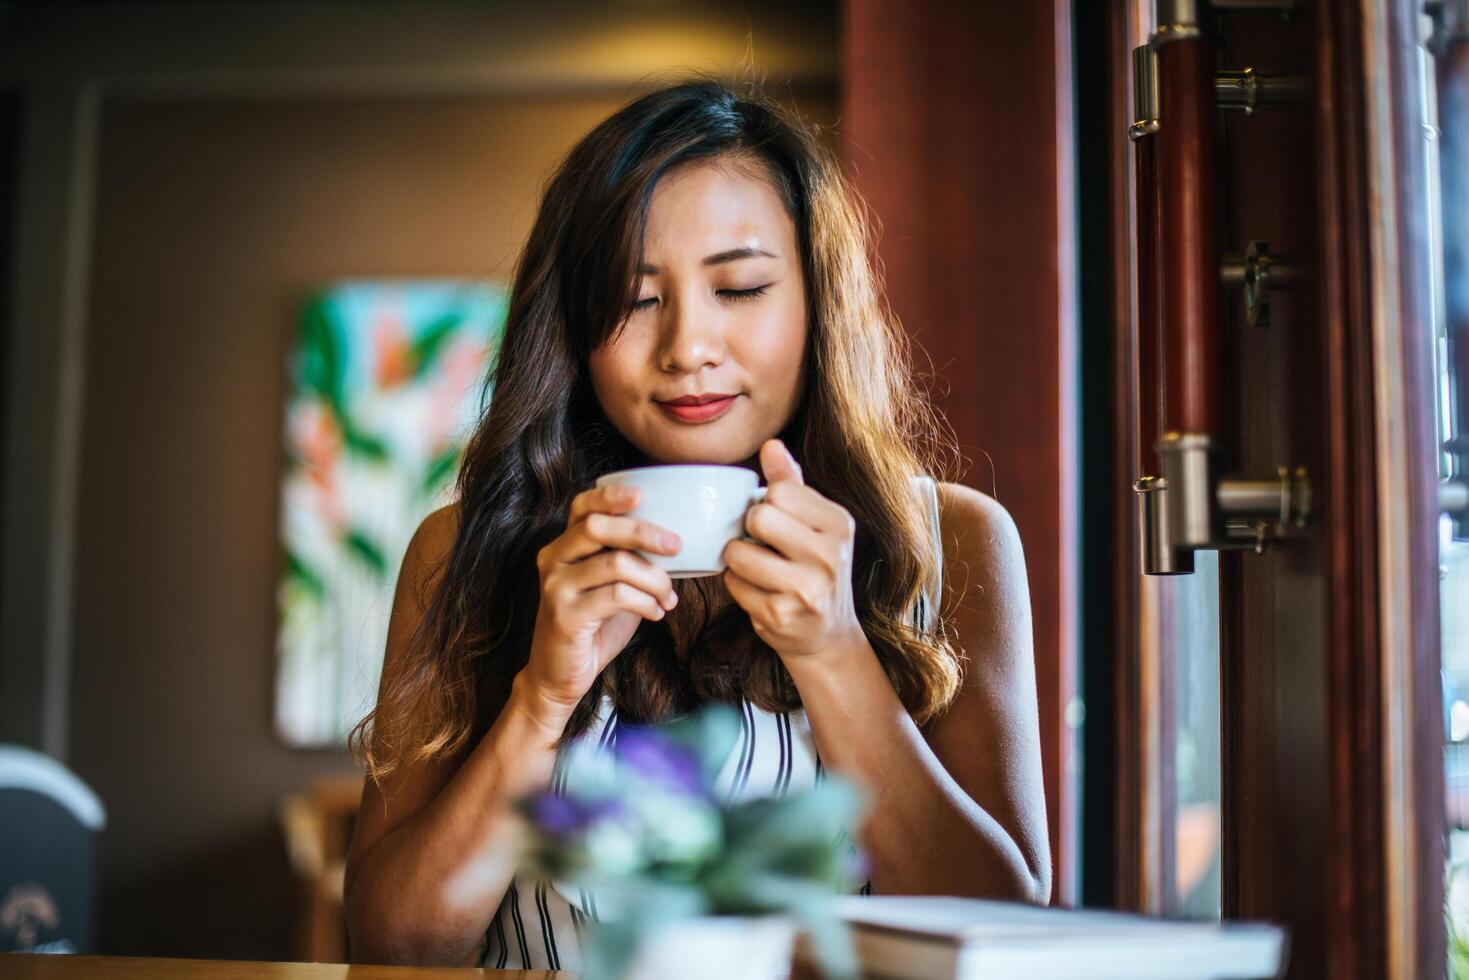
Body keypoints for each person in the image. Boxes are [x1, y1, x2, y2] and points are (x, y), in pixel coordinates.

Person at [342, 74, 1049, 969]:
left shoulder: (952, 541)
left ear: (816, 305)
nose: (687, 348)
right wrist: (542, 699)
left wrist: (834, 655)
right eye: (636, 299)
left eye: (742, 288)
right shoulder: (459, 551)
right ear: (572, 326)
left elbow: (1003, 933)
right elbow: (389, 945)